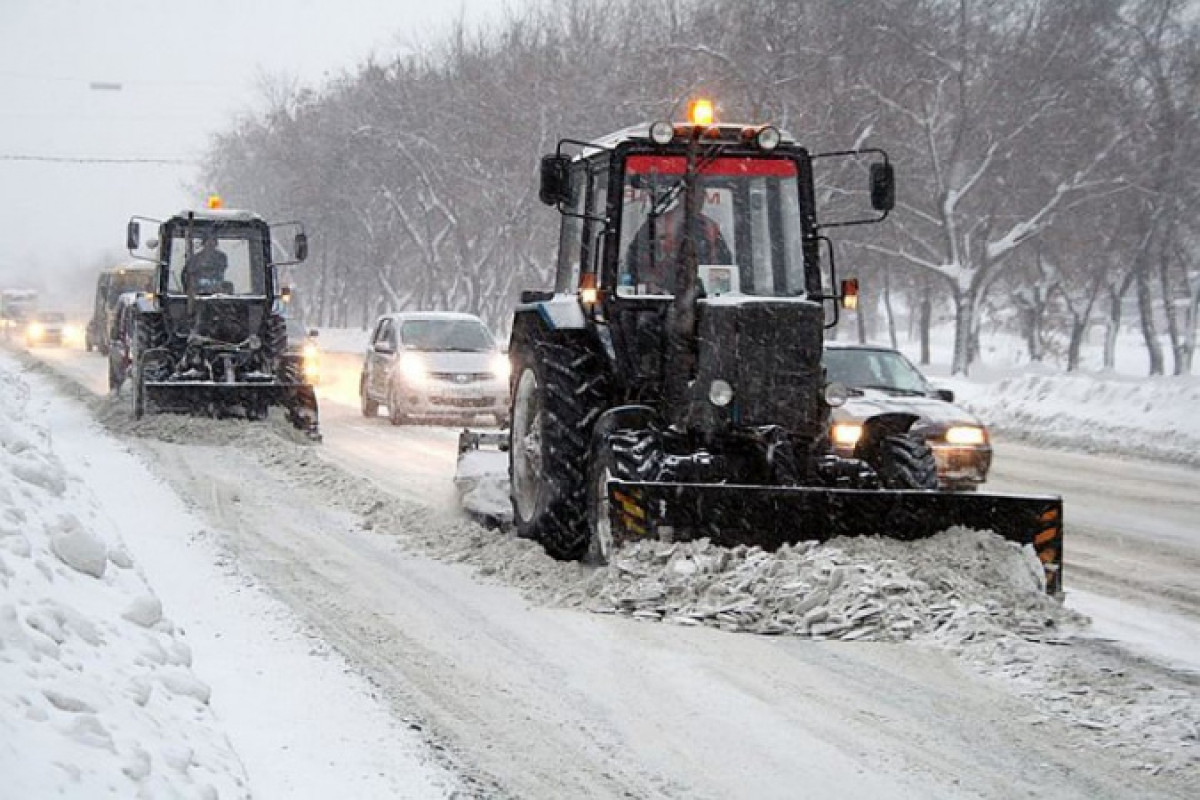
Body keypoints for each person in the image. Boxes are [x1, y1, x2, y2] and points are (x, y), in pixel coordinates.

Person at [624, 185, 732, 294]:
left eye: (701, 194)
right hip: (661, 299)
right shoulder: (657, 226)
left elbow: (724, 267)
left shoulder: (711, 228)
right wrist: (651, 285)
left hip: (702, 298)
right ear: (680, 197)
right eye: (691, 194)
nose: (697, 199)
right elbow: (636, 264)